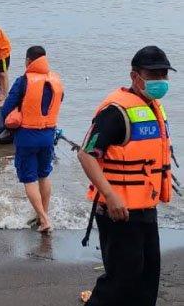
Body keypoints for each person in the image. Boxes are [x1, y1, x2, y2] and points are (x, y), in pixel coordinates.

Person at [77, 46, 175, 306]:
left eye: (163, 74)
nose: (160, 80)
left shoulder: (154, 107)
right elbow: (86, 154)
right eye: (153, 74)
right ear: (135, 77)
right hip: (117, 211)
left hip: (145, 208)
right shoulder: (115, 112)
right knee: (122, 281)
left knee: (148, 278)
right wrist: (110, 195)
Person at [1, 46, 64, 233]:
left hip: (27, 136)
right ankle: (42, 213)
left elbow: (6, 110)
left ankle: (44, 220)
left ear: (28, 61)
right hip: (48, 136)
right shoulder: (56, 80)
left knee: (29, 179)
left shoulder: (23, 82)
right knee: (44, 175)